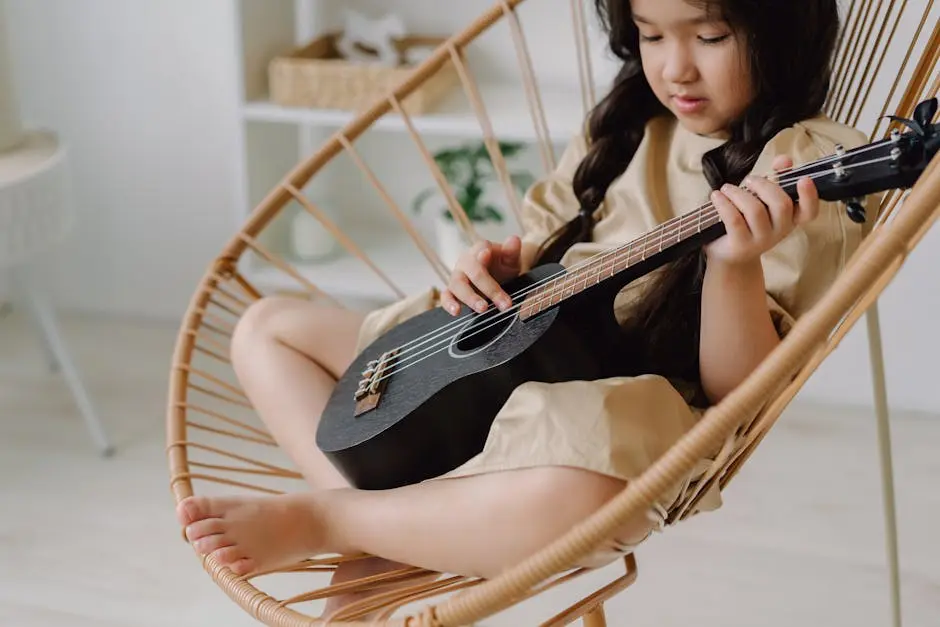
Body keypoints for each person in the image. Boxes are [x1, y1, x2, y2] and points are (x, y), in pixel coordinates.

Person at [176, 0, 872, 614]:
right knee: (265, 329)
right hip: (505, 356)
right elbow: (544, 240)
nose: (675, 69)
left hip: (610, 406)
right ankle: (406, 515)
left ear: (784, 27)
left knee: (590, 502)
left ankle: (339, 520)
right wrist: (491, 268)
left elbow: (737, 394)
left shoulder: (801, 166)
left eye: (710, 36)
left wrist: (734, 267)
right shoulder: (634, 122)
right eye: (651, 34)